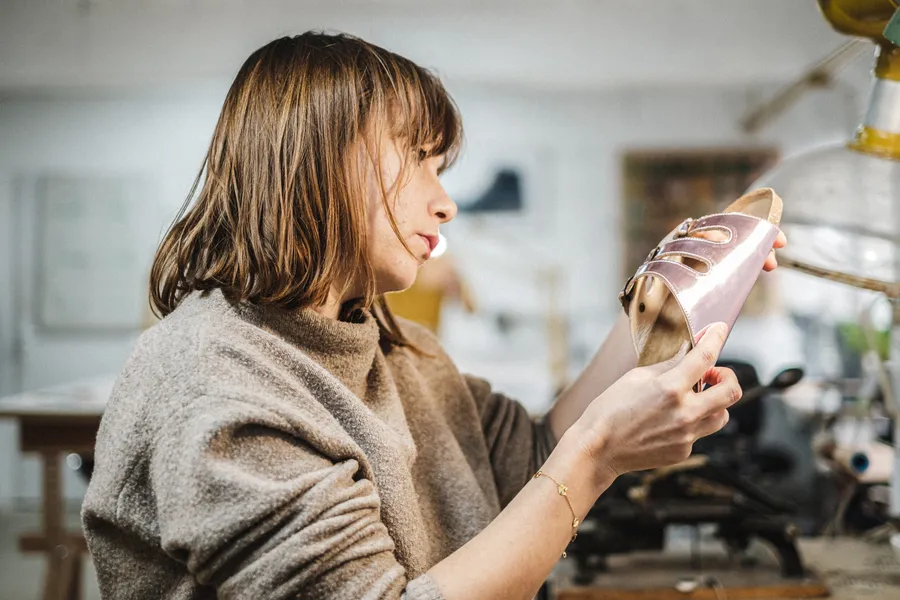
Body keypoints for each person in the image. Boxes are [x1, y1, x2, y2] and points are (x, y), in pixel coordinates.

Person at [81, 32, 785, 600]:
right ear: (319, 160)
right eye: (420, 159)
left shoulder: (400, 350)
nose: (445, 203)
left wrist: (660, 312)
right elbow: (568, 466)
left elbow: (531, 463)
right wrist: (597, 455)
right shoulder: (216, 378)